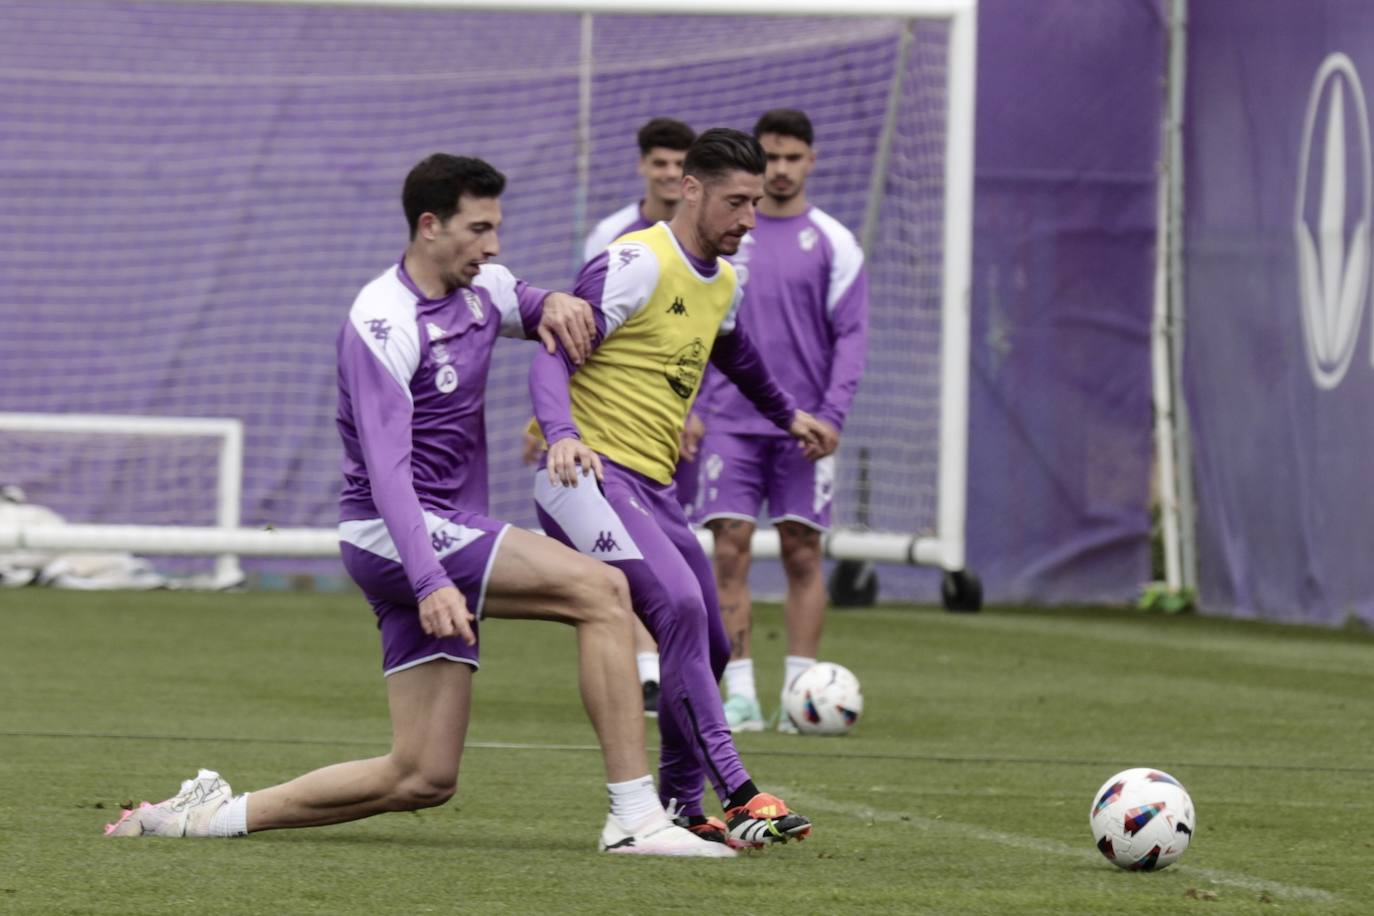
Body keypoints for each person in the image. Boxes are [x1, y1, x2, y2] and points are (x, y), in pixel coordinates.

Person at [103, 153, 731, 858]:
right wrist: (430, 578)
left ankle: (209, 814)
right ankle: (635, 820)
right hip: (396, 532)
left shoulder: (484, 288)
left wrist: (553, 300)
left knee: (423, 775)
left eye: (498, 228)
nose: (493, 245)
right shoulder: (381, 319)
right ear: (429, 226)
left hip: (429, 537)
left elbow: (532, 303)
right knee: (602, 590)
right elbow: (387, 471)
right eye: (479, 228)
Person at [527, 128, 837, 849]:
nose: (749, 220)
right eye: (737, 202)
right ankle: (737, 791)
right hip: (587, 477)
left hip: (651, 488)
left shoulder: (724, 278)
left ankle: (677, 804)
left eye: (756, 204)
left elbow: (736, 352)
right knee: (681, 607)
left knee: (715, 640)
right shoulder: (636, 261)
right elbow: (553, 348)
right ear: (691, 189)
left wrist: (788, 414)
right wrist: (561, 433)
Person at [694, 109, 869, 734]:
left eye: (794, 158)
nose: (782, 170)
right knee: (730, 548)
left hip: (805, 428)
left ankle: (801, 691)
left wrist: (832, 414)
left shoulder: (833, 242)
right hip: (728, 421)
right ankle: (738, 691)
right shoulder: (724, 233)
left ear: (812, 161)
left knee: (801, 551)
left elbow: (850, 337)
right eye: (771, 158)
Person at [526, 117, 699, 716]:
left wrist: (694, 408)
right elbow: (580, 334)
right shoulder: (618, 241)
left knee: (691, 569)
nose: (672, 175)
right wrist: (550, 426)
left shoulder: (719, 251)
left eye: (682, 165)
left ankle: (708, 681)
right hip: (605, 446)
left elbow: (701, 343)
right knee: (645, 572)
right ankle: (649, 672)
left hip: (671, 431)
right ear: (643, 167)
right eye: (661, 164)